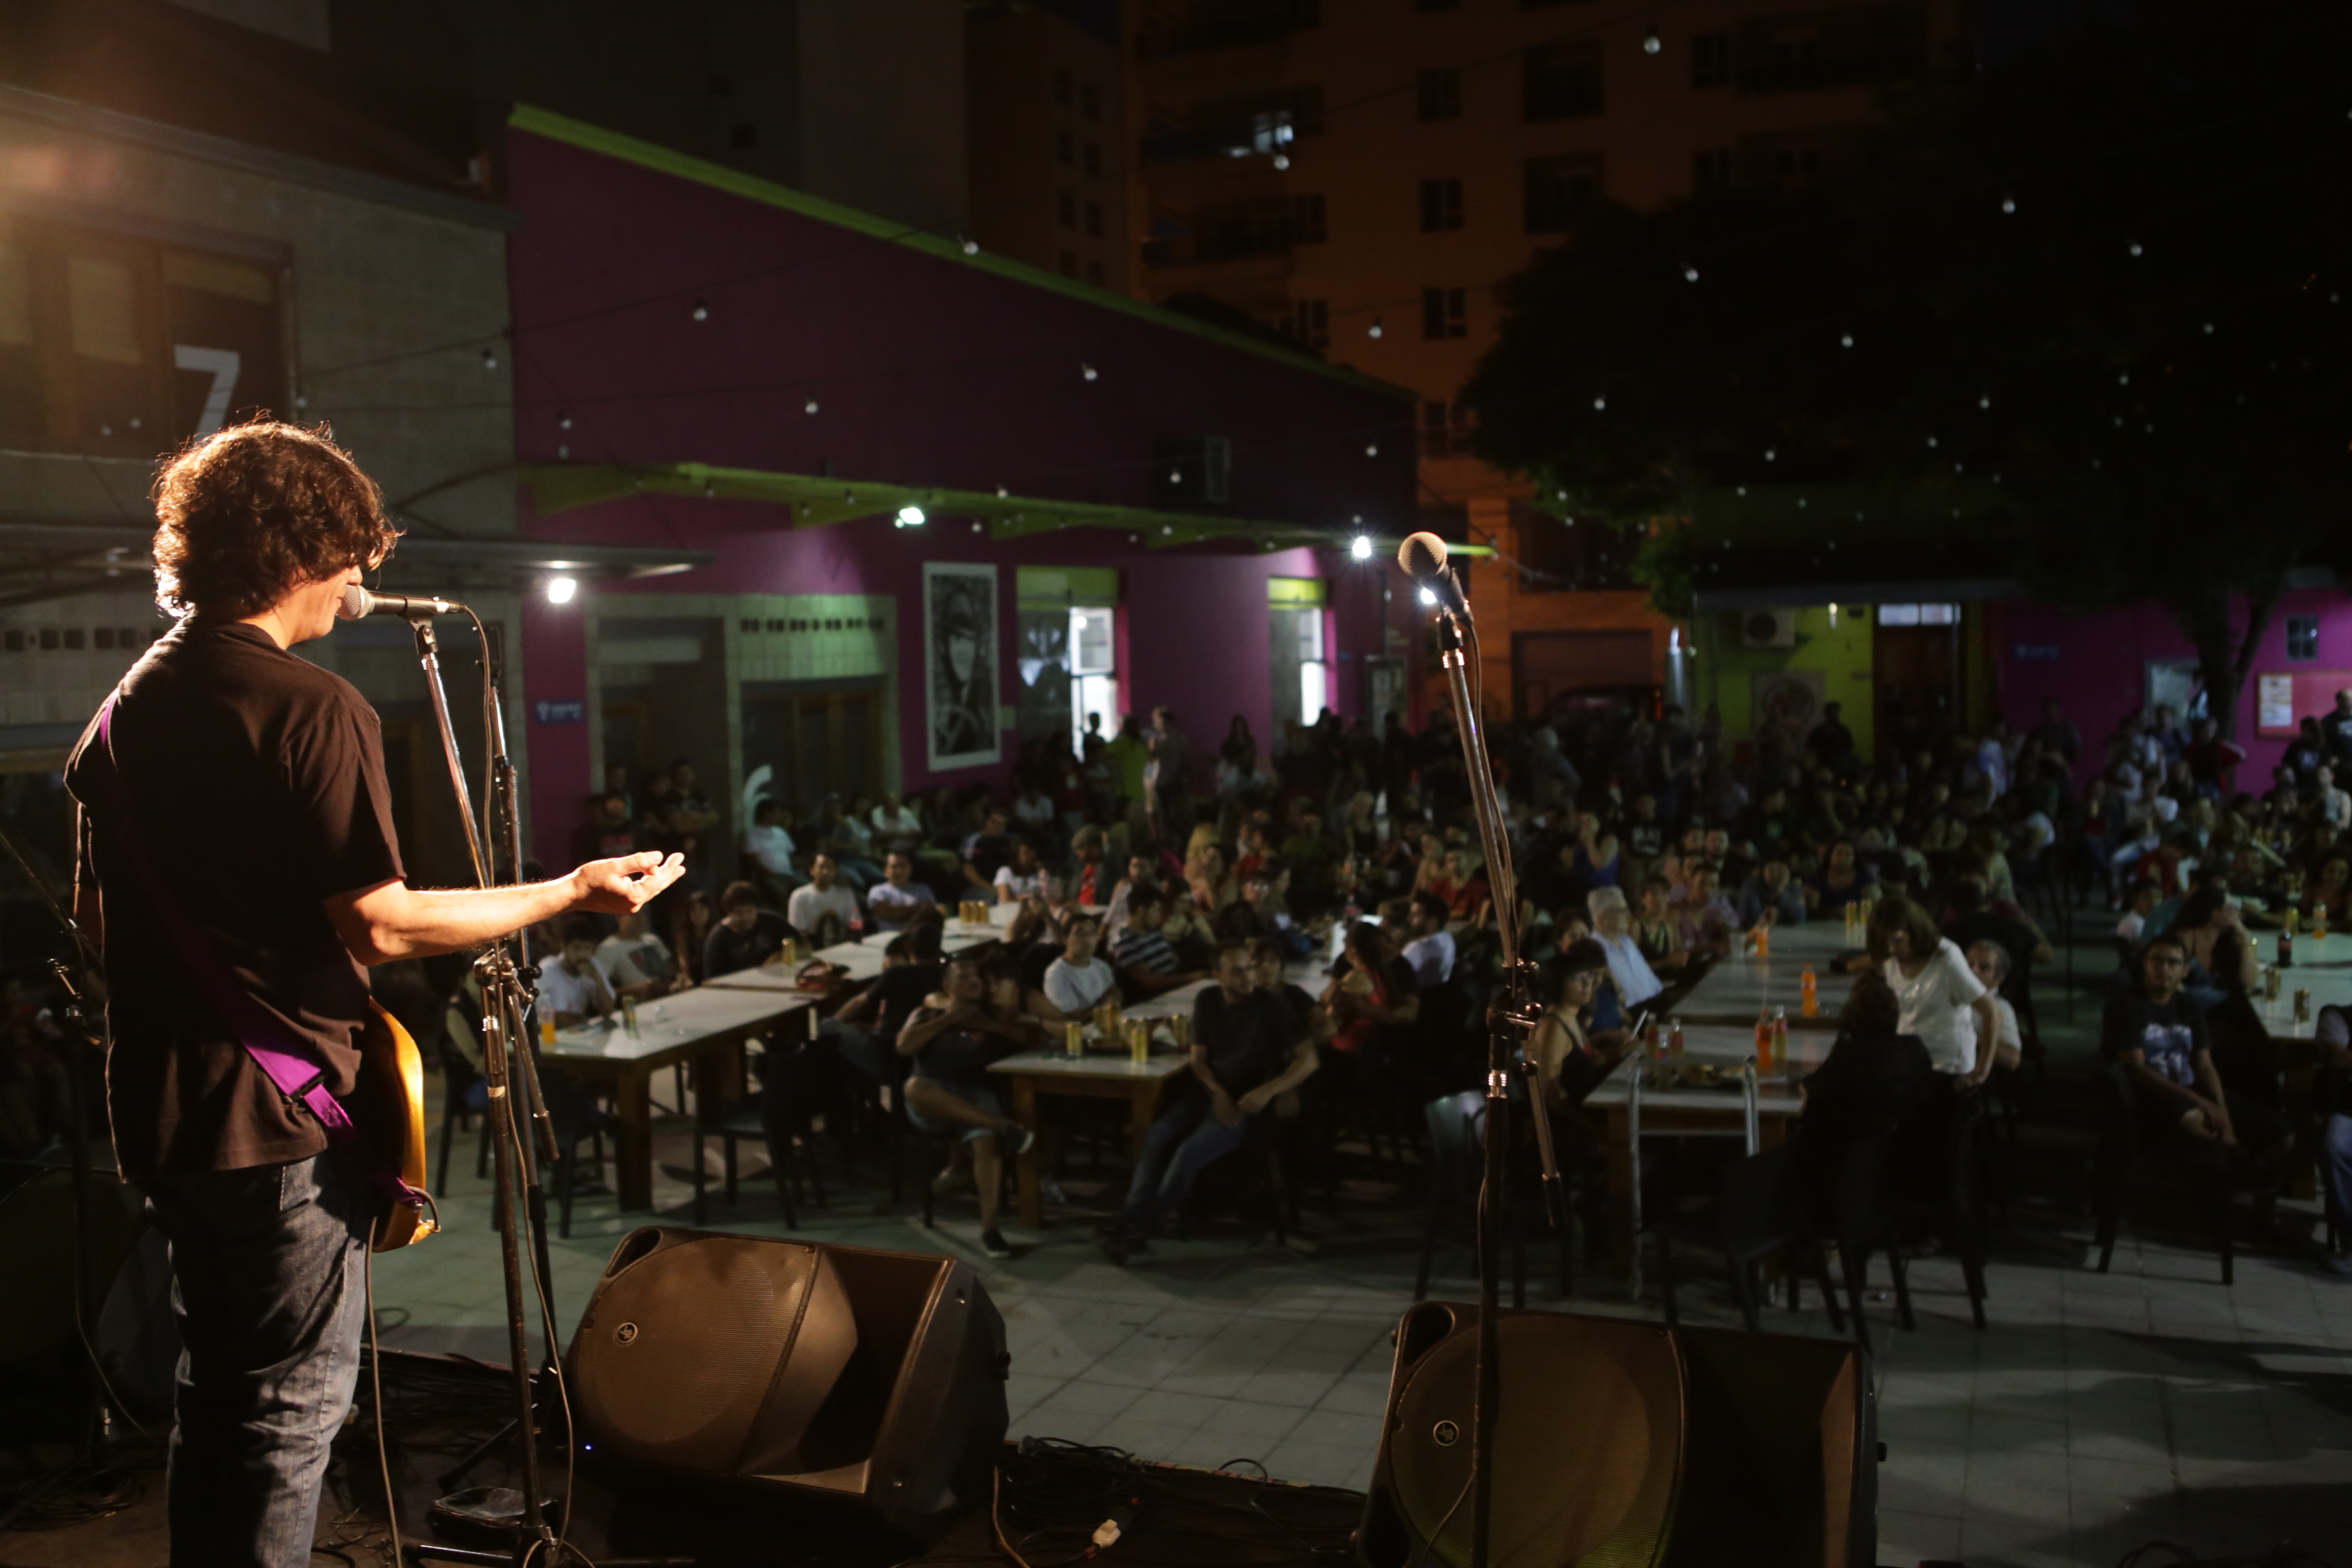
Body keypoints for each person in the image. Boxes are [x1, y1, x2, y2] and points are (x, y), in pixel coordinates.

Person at [63, 422, 683, 1566]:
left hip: (164, 1114)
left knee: (224, 1408)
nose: (368, 573)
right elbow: (382, 921)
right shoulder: (314, 710)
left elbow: (99, 920)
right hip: (280, 1130)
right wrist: (566, 892)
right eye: (354, 549)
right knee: (290, 1423)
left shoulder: (123, 710)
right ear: (306, 548)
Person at [1100, 943, 1318, 1263]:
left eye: (1249, 968)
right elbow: (1198, 1059)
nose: (1248, 977)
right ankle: (1131, 1218)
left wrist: (1268, 1091)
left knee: (1187, 1152)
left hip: (1246, 1102)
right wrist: (1216, 1093)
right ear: (1218, 976)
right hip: (1208, 1094)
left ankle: (1140, 1230)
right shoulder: (1207, 1000)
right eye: (1237, 971)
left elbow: (1309, 1060)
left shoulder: (1273, 1005)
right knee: (1157, 1134)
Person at [2104, 935, 2290, 1171]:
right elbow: (2138, 1071)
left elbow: (2204, 1064)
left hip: (2191, 1093)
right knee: (2203, 1126)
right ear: (2145, 965)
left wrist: (2220, 1107)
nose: (2164, 968)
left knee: (2284, 1136)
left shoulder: (2188, 1005)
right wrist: (2203, 1103)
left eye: (2173, 963)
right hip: (2151, 1100)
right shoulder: (2127, 1006)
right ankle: (2237, 1163)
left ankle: (2244, 1170)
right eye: (2157, 961)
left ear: (2184, 971)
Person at [898, 958, 1041, 1259]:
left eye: (978, 975)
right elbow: (904, 1046)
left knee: (984, 1140)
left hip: (975, 1095)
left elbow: (1033, 1037)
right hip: (933, 1099)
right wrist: (949, 1020)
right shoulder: (927, 1013)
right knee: (914, 1088)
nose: (974, 980)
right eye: (964, 976)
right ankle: (1005, 1127)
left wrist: (986, 1023)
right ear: (947, 986)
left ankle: (991, 1229)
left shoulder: (994, 1017)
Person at [1791, 974, 1939, 1218]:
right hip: (1902, 1160)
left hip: (1843, 1166)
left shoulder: (1852, 1060)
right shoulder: (1914, 1049)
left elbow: (1808, 1091)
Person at [1865, 896, 1998, 1081]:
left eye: (1897, 939)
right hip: (1909, 1061)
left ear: (1914, 930)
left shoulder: (1946, 960)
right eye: (1884, 941)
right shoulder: (1891, 959)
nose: (1891, 948)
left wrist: (1981, 1072)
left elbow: (1991, 1012)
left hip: (1947, 1067)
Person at [1587, 886, 1665, 1011]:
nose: (1629, 916)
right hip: (1637, 1015)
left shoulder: (1625, 940)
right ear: (1603, 918)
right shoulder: (1595, 950)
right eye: (1623, 911)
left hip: (1657, 1002)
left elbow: (1651, 981)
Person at [537, 915, 619, 1027]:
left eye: (587, 948)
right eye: (577, 948)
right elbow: (555, 1019)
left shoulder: (593, 966)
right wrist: (582, 1019)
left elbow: (608, 1011)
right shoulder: (548, 969)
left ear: (594, 949)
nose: (582, 954)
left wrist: (598, 980)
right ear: (564, 947)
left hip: (578, 1033)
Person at [704, 879, 795, 978]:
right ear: (729, 913)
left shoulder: (772, 921)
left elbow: (804, 945)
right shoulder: (718, 937)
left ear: (757, 908)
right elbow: (712, 978)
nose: (745, 917)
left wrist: (780, 956)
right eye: (739, 912)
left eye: (749, 911)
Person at [1037, 916, 1119, 1020]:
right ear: (1065, 939)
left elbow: (1116, 994)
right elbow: (1075, 1018)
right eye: (1080, 934)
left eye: (1092, 934)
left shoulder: (1101, 966)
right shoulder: (1056, 974)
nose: (1087, 940)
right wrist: (1107, 1004)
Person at [1963, 941, 2024, 1076]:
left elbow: (2012, 1059)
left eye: (1984, 967)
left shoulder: (2000, 1008)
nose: (1973, 971)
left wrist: (1967, 1037)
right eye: (1969, 964)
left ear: (1999, 978)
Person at [785, 853, 861, 947]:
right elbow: (798, 931)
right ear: (812, 870)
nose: (826, 872)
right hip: (814, 948)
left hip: (841, 946)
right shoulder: (799, 896)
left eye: (830, 868)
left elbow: (854, 922)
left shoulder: (846, 894)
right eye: (822, 867)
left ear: (836, 870)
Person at [867, 851, 939, 931]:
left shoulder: (923, 889)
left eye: (903, 866)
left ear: (910, 869)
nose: (899, 871)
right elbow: (885, 912)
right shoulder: (878, 891)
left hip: (917, 938)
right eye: (894, 867)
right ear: (886, 870)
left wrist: (896, 910)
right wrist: (919, 909)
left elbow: (931, 913)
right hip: (888, 939)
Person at [1400, 889, 1457, 988]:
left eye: (1416, 915)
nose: (1409, 919)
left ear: (1433, 922)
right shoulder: (1448, 939)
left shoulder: (1419, 947)